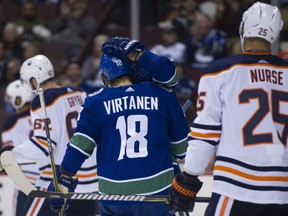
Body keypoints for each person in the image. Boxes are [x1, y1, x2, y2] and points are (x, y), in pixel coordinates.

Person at [168, 2, 288, 216]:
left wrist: (190, 176)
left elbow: (206, 133)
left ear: (242, 28)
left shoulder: (219, 72)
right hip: (282, 191)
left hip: (236, 187)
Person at [47, 38, 189, 216]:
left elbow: (79, 147)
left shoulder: (95, 101)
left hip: (113, 195)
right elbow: (183, 150)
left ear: (105, 78)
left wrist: (63, 176)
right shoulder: (161, 93)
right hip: (157, 192)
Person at [2, 54, 98, 216]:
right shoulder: (81, 93)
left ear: (34, 79)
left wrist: (11, 154)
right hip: (92, 181)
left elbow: (44, 145)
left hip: (59, 180)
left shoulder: (44, 98)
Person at [1, 79, 38, 216]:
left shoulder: (12, 123)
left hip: (26, 184)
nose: (11, 103)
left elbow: (8, 160)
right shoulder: (45, 115)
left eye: (12, 99)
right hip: (49, 179)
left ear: (20, 98)